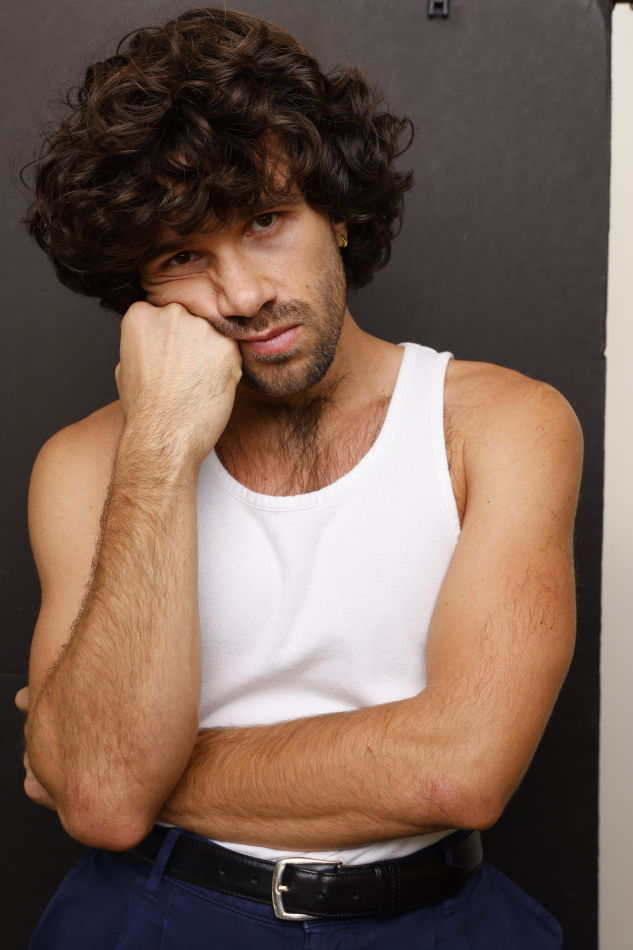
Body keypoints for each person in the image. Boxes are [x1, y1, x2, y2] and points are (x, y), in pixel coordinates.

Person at [15, 7, 582, 948]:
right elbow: (105, 807)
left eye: (266, 221)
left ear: (338, 211)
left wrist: (129, 769)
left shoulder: (500, 424)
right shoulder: (87, 462)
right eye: (183, 256)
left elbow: (459, 770)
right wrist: (160, 442)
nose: (242, 295)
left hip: (432, 919)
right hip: (155, 911)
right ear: (139, 292)